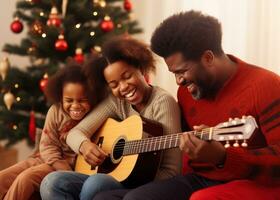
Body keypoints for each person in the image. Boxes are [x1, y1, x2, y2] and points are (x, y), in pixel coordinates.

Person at [92, 10, 280, 200]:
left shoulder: (266, 86)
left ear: (208, 58)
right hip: (200, 178)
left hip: (255, 182)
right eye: (174, 73)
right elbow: (181, 143)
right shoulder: (186, 92)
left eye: (182, 71)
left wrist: (224, 157)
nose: (178, 81)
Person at [40, 36, 182, 200]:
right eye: (114, 85)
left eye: (127, 76)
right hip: (109, 175)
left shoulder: (162, 102)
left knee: (95, 183)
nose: (123, 87)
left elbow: (172, 171)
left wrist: (132, 174)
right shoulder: (117, 102)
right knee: (51, 182)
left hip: (141, 183)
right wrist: (85, 146)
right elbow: (75, 133)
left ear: (141, 69)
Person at [0, 62, 104, 200]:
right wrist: (56, 162)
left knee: (25, 179)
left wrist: (64, 168)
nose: (75, 106)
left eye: (83, 100)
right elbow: (48, 144)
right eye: (69, 100)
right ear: (60, 97)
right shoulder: (55, 111)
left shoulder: (97, 115)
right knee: (2, 178)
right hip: (48, 158)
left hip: (68, 167)